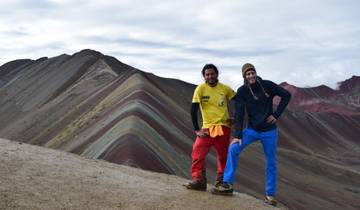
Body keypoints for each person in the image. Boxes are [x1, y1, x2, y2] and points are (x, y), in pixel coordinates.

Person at [211, 63, 291, 206]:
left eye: (252, 72)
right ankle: (227, 184)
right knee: (233, 149)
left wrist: (276, 115)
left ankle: (270, 195)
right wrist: (238, 135)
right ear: (244, 76)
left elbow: (286, 95)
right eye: (248, 74)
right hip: (252, 130)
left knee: (271, 162)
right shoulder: (242, 91)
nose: (251, 76)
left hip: (269, 131)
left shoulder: (267, 85)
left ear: (256, 73)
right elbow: (240, 113)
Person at [184, 64, 236, 191]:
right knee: (197, 152)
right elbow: (193, 110)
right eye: (207, 74)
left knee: (223, 156)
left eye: (212, 74)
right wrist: (197, 130)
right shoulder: (200, 89)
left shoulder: (225, 89)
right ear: (204, 76)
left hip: (223, 127)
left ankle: (220, 183)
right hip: (207, 129)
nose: (210, 76)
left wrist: (236, 117)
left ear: (217, 74)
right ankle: (199, 180)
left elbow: (238, 101)